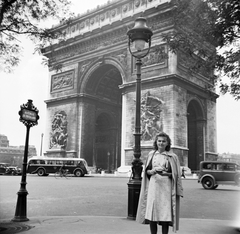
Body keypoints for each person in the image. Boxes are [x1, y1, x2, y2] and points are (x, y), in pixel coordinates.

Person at [136, 132, 183, 234]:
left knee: (164, 214)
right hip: (153, 186)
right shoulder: (151, 155)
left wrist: (167, 174)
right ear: (156, 142)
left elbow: (176, 174)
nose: (161, 143)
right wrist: (151, 171)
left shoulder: (172, 156)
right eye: (159, 141)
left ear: (167, 143)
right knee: (152, 213)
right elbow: (147, 171)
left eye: (163, 141)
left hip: (166, 187)